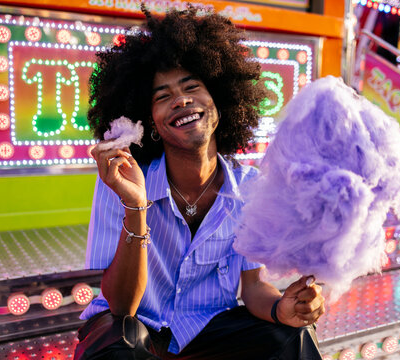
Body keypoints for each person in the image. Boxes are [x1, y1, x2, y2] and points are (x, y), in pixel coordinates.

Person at [75, 6, 325, 360]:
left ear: (220, 100)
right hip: (133, 327)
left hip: (206, 331)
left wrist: (280, 310)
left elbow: (252, 287)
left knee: (293, 337)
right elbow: (122, 306)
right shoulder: (122, 178)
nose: (181, 100)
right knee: (121, 345)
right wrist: (136, 205)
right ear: (150, 121)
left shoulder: (249, 187)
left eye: (192, 86)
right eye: (163, 96)